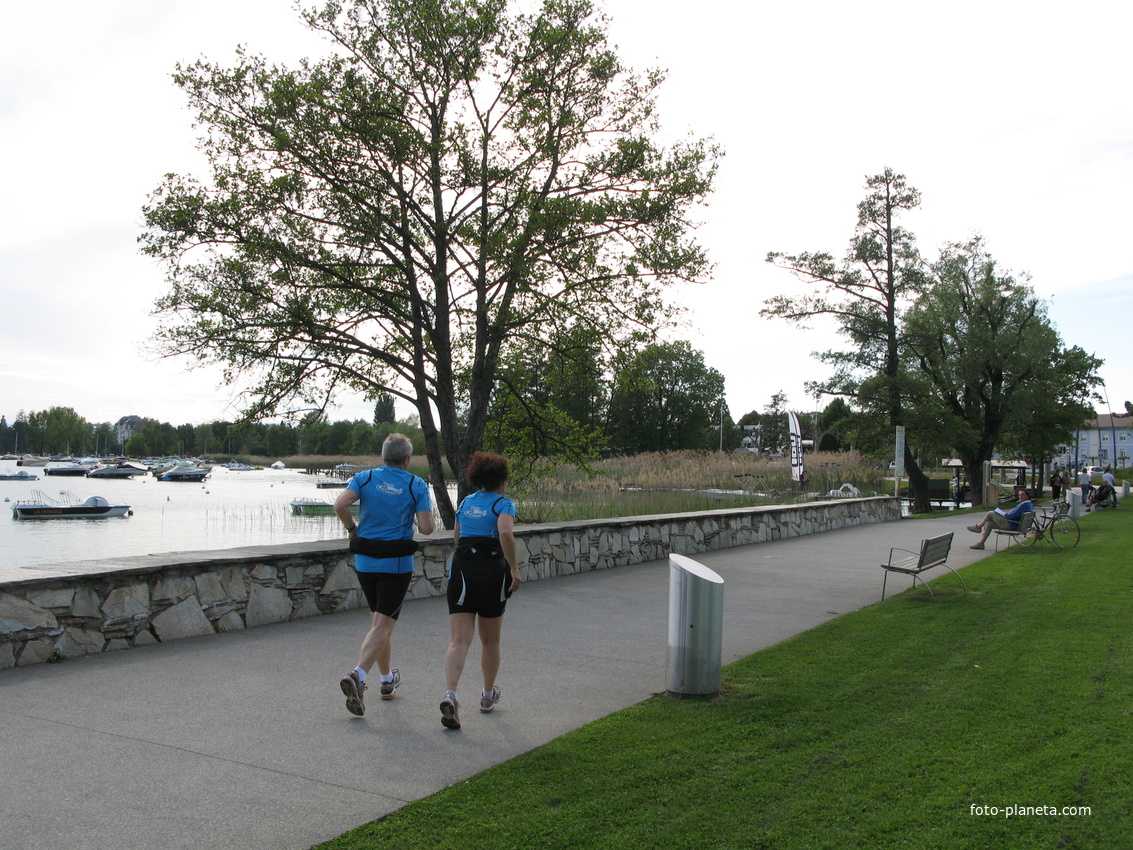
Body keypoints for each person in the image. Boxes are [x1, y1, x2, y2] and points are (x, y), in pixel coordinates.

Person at [333, 433, 434, 717]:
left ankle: (387, 681)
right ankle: (358, 676)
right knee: (383, 626)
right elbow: (427, 529)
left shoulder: (364, 479)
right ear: (407, 459)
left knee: (379, 624)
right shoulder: (415, 484)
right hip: (396, 563)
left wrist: (352, 529)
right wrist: (420, 514)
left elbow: (340, 505)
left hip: (365, 562)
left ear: (383, 456)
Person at [439, 452, 522, 730]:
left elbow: (457, 538)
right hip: (492, 574)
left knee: (459, 640)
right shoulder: (503, 504)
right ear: (503, 480)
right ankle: (487, 696)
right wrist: (514, 568)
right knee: (491, 640)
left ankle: (451, 694)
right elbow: (505, 533)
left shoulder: (465, 502)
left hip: (462, 571)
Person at [967, 489, 1033, 550]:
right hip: (1015, 524)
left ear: (1027, 496)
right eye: (1019, 495)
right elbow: (1015, 514)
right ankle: (981, 544)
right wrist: (1005, 514)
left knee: (990, 513)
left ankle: (978, 527)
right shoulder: (1028, 504)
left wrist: (1005, 514)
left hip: (1011, 524)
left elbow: (1013, 515)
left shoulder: (1024, 505)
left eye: (1022, 495)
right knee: (988, 523)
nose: (1020, 496)